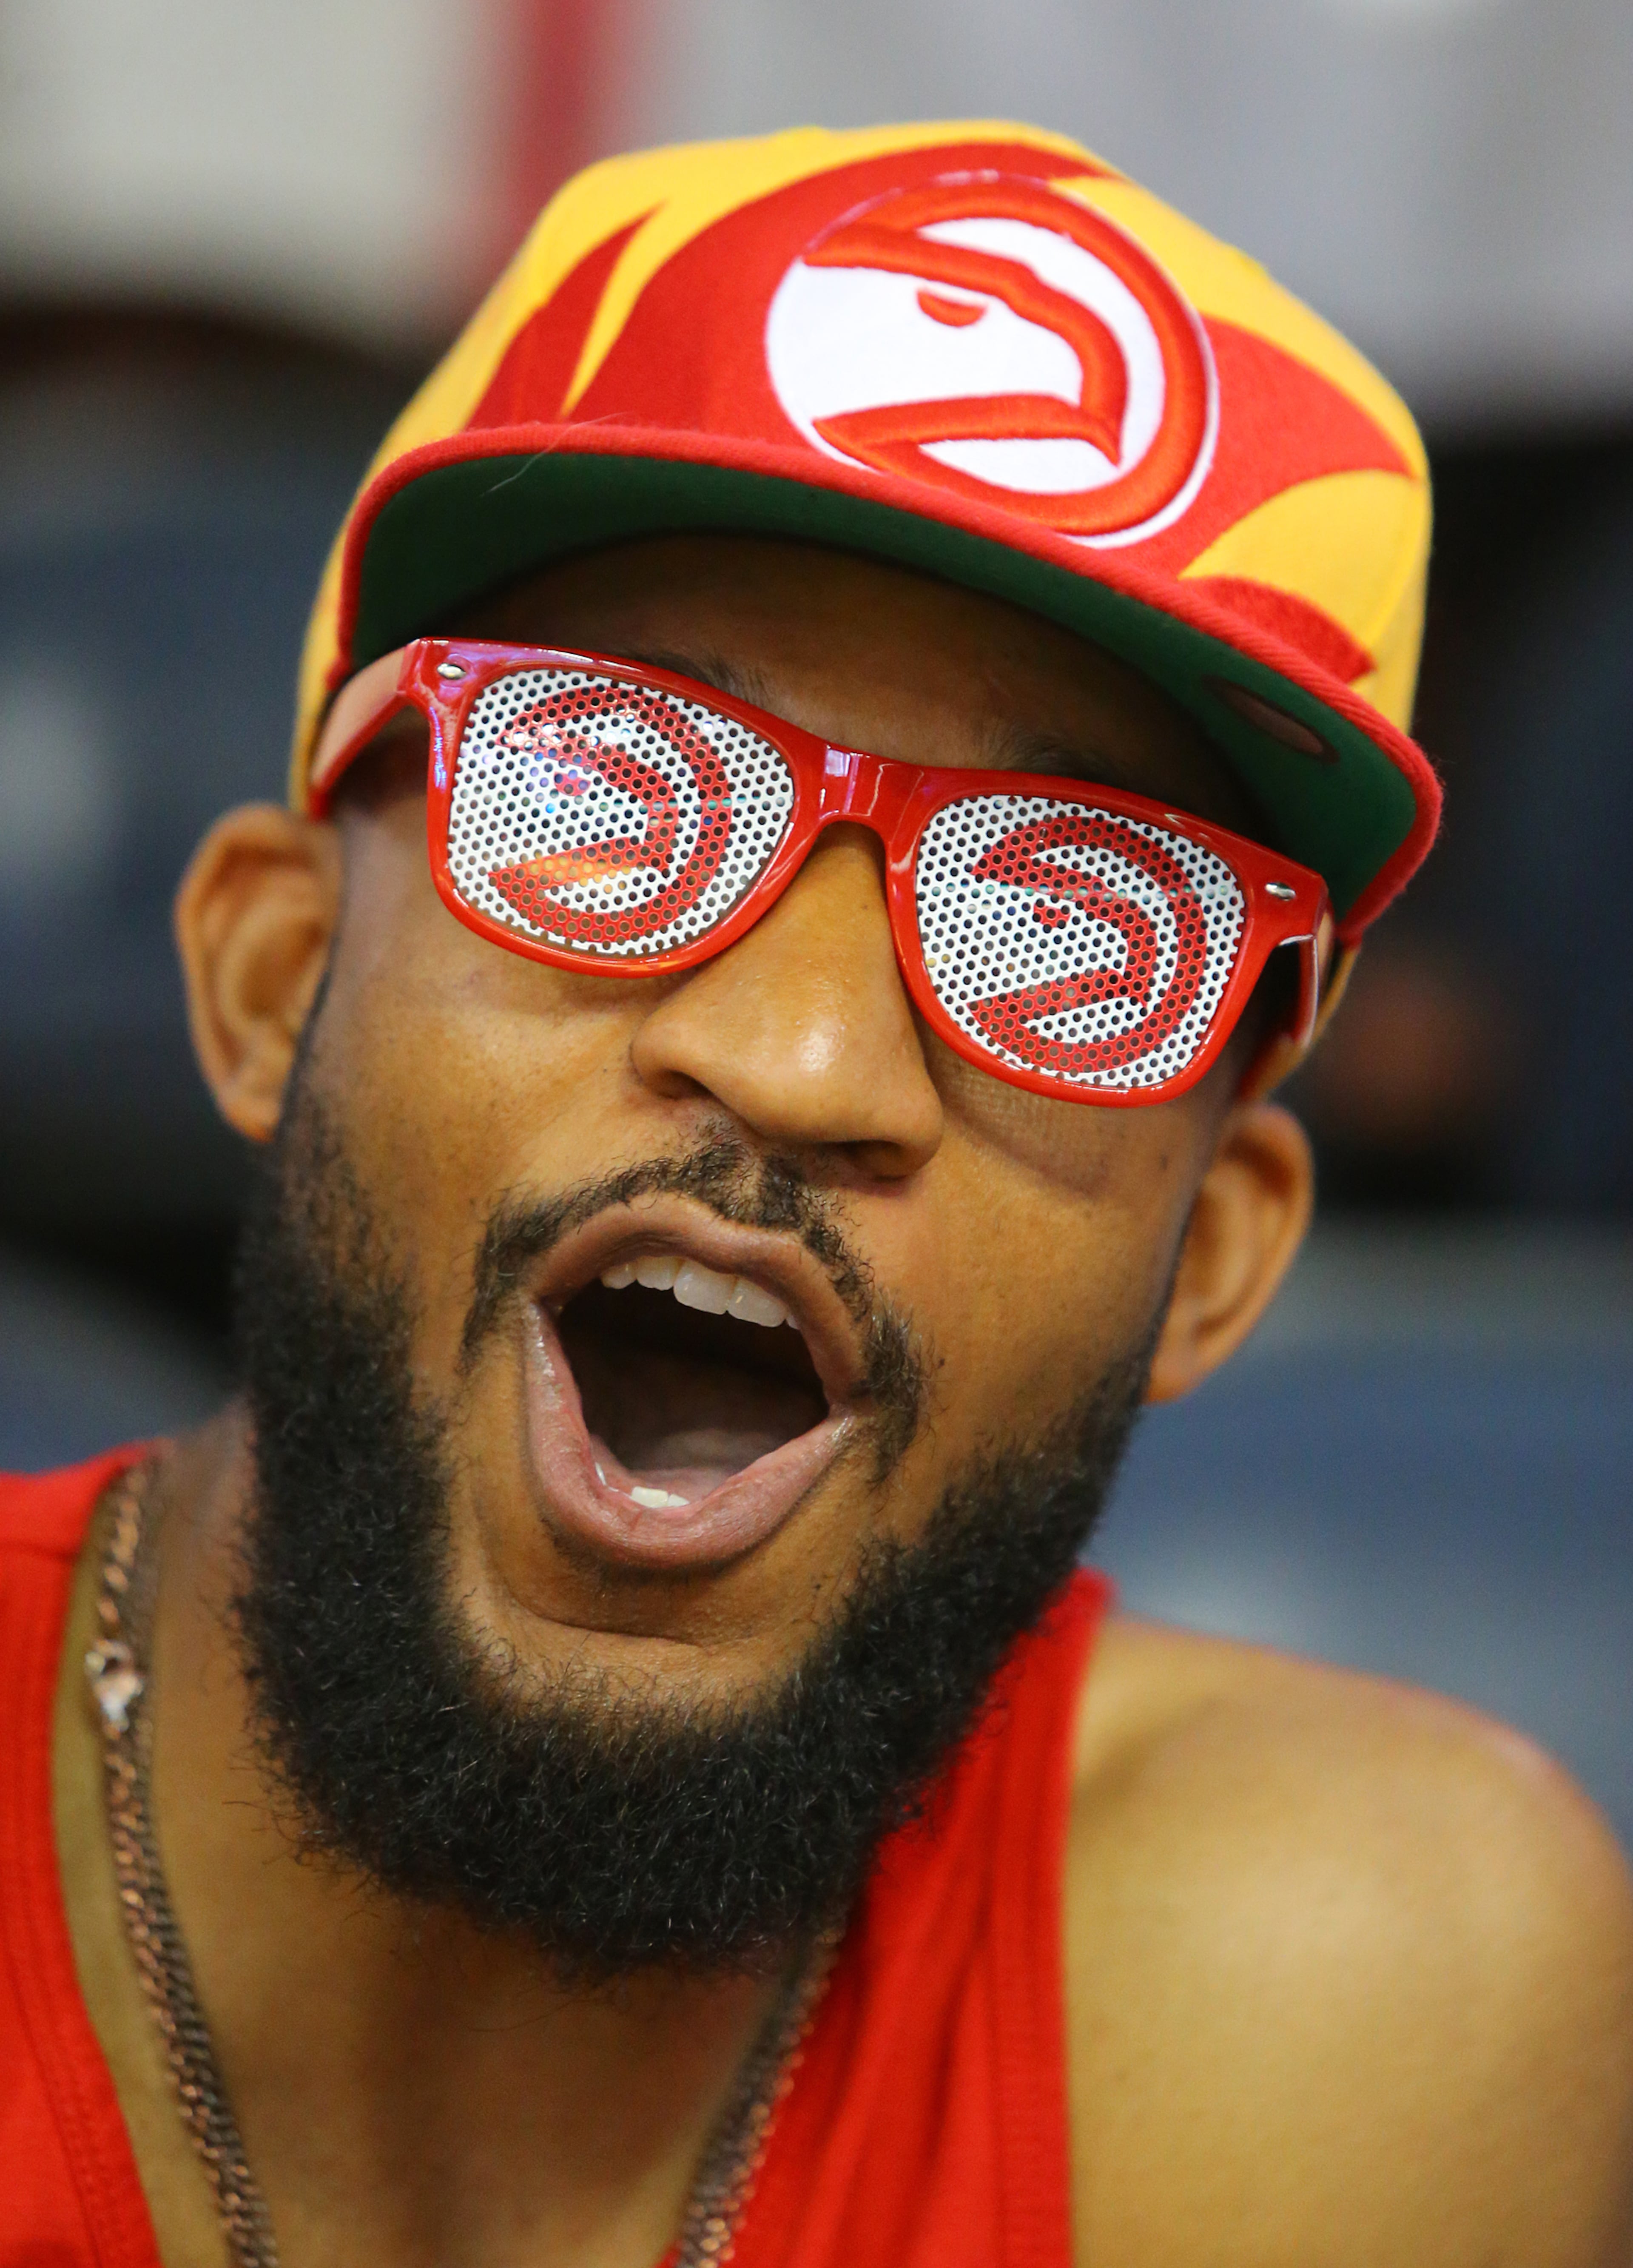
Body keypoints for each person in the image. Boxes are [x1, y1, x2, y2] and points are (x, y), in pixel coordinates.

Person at [5, 121, 1630, 2268]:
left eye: (1073, 923)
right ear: (271, 977)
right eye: (614, 786)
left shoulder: (1349, 2008)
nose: (801, 1062)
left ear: (1215, 1258)